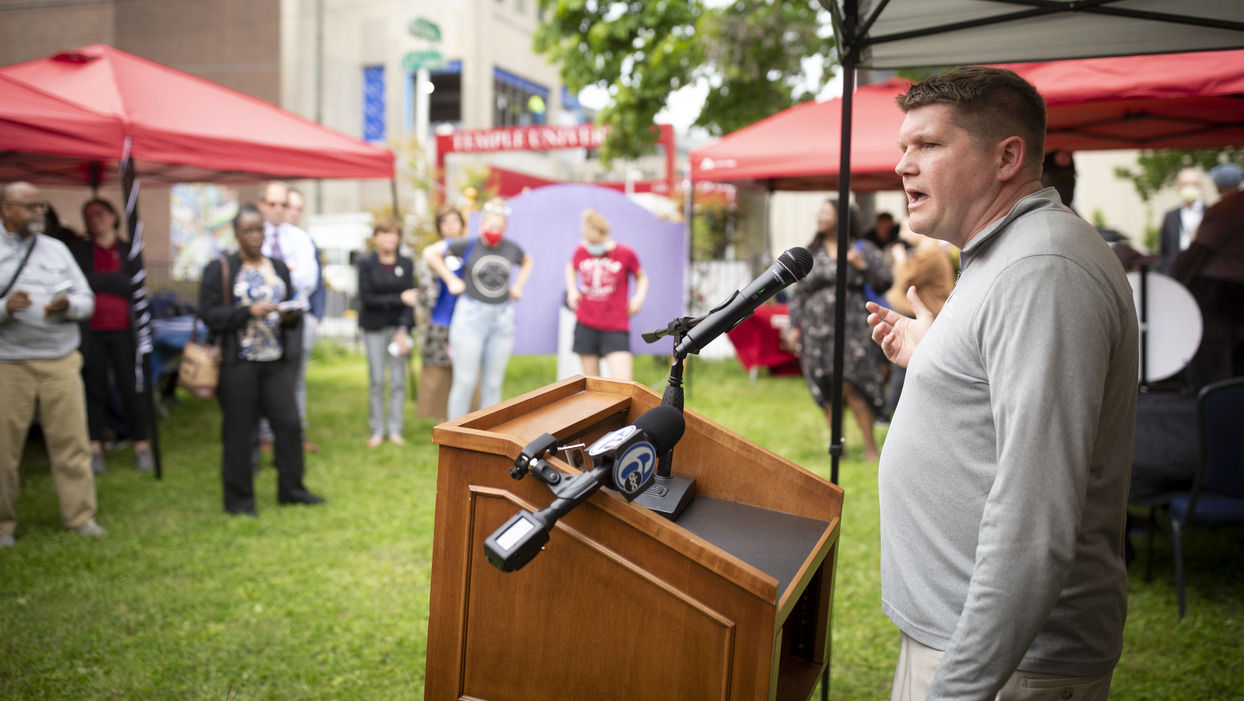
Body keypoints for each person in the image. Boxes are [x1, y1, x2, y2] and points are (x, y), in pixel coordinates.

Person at [865, 67, 1138, 700]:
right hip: (973, 647)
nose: (904, 165)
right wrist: (937, 357)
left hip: (1004, 666)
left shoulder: (1042, 269)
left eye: (928, 145)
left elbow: (1035, 519)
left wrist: (960, 687)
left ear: (1006, 157)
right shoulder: (1002, 253)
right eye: (903, 147)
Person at [199, 204, 324, 516]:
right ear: (237, 233)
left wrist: (291, 315)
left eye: (260, 230)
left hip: (275, 360)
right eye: (249, 230)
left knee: (290, 425)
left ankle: (292, 489)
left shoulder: (278, 267)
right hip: (238, 362)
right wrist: (247, 311)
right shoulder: (222, 268)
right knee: (240, 431)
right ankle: (239, 501)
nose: (256, 236)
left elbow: (290, 306)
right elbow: (209, 314)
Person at [0, 181, 106, 546]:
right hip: (9, 364)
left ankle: (80, 517)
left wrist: (68, 306)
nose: (37, 213)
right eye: (28, 206)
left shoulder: (57, 250)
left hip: (60, 359)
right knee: (4, 448)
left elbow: (87, 300)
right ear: (6, 209)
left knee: (72, 442)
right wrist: (5, 308)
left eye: (40, 206)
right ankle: (2, 526)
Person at [784, 197, 892, 461]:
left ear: (841, 217)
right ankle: (838, 449)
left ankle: (870, 448)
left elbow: (884, 280)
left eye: (826, 211)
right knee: (829, 389)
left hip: (853, 330)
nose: (819, 216)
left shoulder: (861, 249)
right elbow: (798, 293)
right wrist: (793, 326)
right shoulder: (810, 252)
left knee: (855, 387)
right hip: (818, 331)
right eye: (818, 212)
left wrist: (861, 266)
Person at [424, 197, 533, 420]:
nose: (495, 230)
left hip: (502, 318)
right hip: (471, 317)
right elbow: (430, 253)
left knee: (493, 384)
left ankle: (487, 439)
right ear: (482, 225)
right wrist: (451, 280)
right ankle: (454, 436)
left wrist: (519, 285)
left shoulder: (510, 248)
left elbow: (528, 261)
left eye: (500, 227)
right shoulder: (467, 245)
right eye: (491, 226)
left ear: (505, 228)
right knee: (465, 381)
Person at [69, 198, 153, 474]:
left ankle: (141, 444)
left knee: (131, 388)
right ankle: (94, 447)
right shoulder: (81, 252)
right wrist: (113, 281)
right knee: (94, 390)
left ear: (114, 216)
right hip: (91, 331)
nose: (96, 219)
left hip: (124, 330)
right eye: (89, 215)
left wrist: (101, 282)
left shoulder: (129, 250)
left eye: (101, 213)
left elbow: (135, 286)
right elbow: (79, 283)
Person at [256, 181, 320, 454]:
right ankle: (265, 436)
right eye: (274, 204)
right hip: (262, 321)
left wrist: (274, 273)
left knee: (296, 379)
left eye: (284, 204)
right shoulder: (254, 235)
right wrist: (288, 270)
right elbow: (254, 281)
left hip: (294, 318)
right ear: (263, 204)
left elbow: (309, 280)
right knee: (263, 378)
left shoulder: (300, 238)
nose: (279, 209)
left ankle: (295, 434)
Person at [1171, 162, 1244, 390]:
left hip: (1220, 291)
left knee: (1216, 354)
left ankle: (1217, 398)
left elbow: (1199, 251)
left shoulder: (1226, 209)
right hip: (1231, 289)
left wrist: (1176, 279)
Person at [879, 220, 957, 418]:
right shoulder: (927, 250)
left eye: (906, 229)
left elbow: (903, 278)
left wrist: (899, 258)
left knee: (904, 366)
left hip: (925, 315)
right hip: (923, 313)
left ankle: (894, 412)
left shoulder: (928, 252)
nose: (902, 235)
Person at [564, 208, 648, 381]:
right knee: (592, 385)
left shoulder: (625, 253)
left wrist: (639, 297)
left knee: (623, 384)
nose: (592, 247)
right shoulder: (581, 251)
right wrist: (572, 290)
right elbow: (571, 267)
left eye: (596, 242)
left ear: (606, 234)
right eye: (589, 242)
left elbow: (642, 277)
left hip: (615, 324)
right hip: (586, 323)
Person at [357, 219, 417, 447]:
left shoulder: (406, 263)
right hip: (373, 327)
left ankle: (395, 429)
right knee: (377, 380)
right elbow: (367, 298)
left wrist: (403, 329)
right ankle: (377, 429)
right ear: (376, 237)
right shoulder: (366, 264)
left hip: (398, 329)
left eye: (393, 234)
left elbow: (410, 299)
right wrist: (397, 299)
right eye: (384, 233)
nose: (389, 239)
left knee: (398, 381)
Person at [416, 206, 467, 420]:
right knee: (438, 371)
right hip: (440, 320)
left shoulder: (470, 249)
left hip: (466, 320)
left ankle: (467, 418)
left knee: (465, 371)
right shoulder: (433, 253)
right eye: (445, 222)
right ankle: (441, 420)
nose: (451, 226)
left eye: (455, 221)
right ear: (439, 227)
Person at [1157, 167, 1204, 274]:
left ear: (1200, 187)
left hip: (1200, 274)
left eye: (1193, 184)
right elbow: (1164, 251)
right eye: (1185, 184)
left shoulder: (1208, 214)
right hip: (1175, 273)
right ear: (1178, 187)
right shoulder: (1170, 216)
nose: (1189, 188)